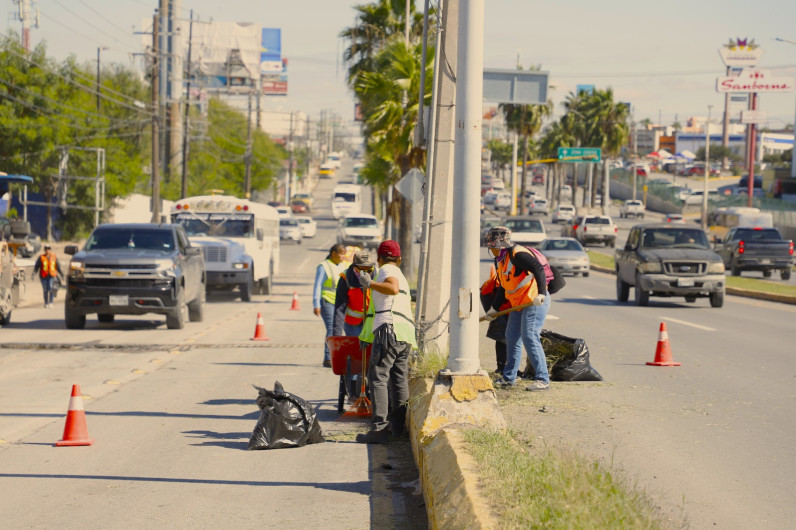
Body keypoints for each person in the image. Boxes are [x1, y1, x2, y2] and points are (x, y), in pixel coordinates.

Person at [355, 240, 416, 444]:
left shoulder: (385, 270)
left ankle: (380, 430)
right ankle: (398, 429)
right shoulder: (401, 273)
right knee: (398, 380)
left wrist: (369, 283)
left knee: (378, 378)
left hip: (388, 329)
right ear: (400, 258)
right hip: (405, 332)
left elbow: (393, 289)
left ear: (379, 259)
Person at [484, 226, 551, 391]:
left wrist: (542, 293)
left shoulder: (518, 254)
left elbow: (538, 269)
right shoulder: (500, 258)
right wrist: (494, 309)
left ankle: (543, 379)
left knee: (529, 336)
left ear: (501, 242)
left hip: (534, 301)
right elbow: (503, 287)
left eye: (493, 246)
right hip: (518, 303)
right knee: (511, 337)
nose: (491, 249)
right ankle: (509, 378)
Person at [313, 244, 349, 367]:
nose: (343, 256)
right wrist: (316, 304)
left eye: (344, 254)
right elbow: (317, 286)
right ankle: (328, 358)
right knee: (331, 328)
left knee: (338, 329)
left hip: (340, 303)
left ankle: (336, 356)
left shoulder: (344, 266)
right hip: (327, 301)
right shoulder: (324, 266)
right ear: (333, 253)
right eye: (341, 253)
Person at [333, 249, 375, 339]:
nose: (365, 273)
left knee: (370, 351)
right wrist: (336, 334)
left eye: (368, 269)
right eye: (362, 269)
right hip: (352, 323)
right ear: (354, 266)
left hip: (372, 322)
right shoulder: (346, 278)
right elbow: (339, 308)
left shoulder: (378, 276)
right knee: (356, 349)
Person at [480, 265, 510, 374]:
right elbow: (502, 295)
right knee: (502, 332)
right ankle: (502, 367)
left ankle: (505, 367)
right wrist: (494, 309)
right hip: (491, 295)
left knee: (508, 333)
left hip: (498, 294)